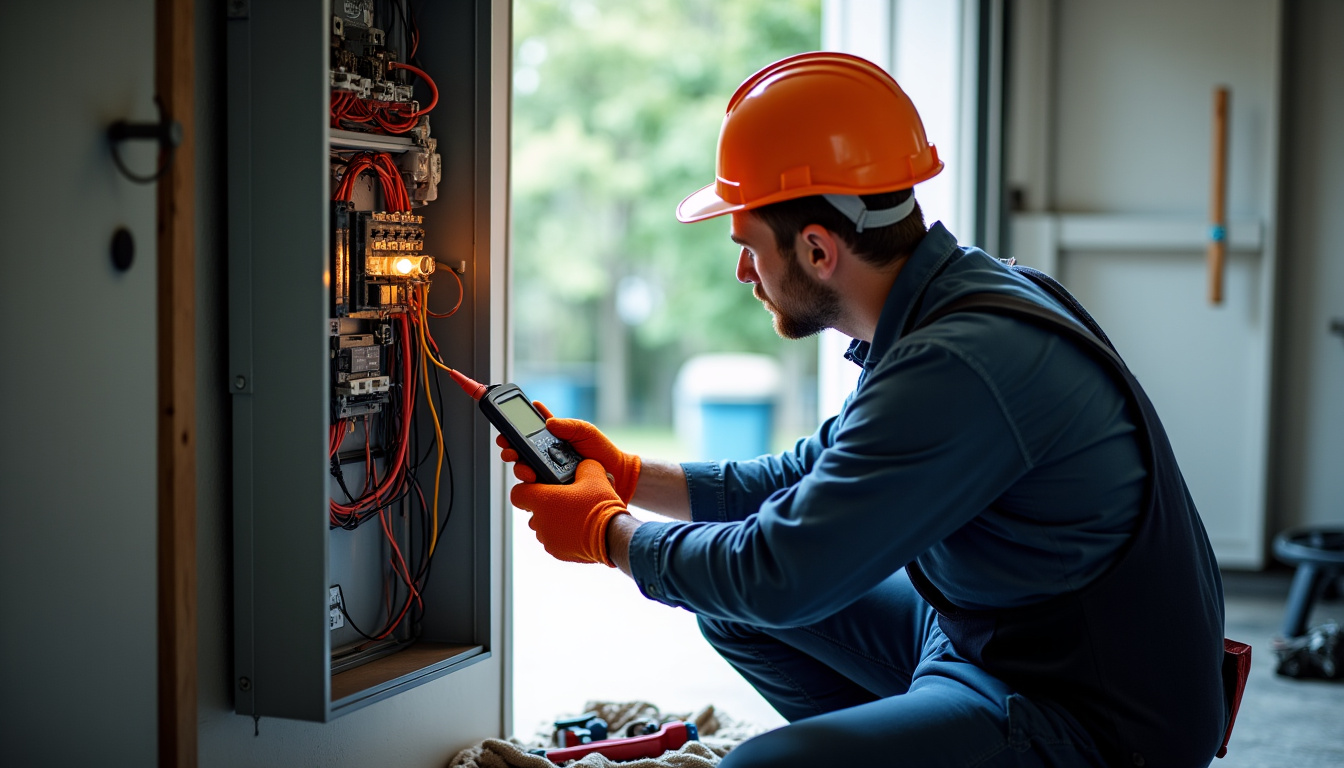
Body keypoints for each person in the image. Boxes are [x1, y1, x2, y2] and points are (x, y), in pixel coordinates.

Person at [502, 52, 1236, 767]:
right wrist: (628, 474)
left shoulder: (962, 364)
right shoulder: (949, 301)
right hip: (987, 634)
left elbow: (779, 571)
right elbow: (805, 478)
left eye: (749, 246)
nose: (741, 272)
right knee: (730, 609)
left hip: (1084, 715)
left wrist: (606, 534)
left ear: (818, 249)